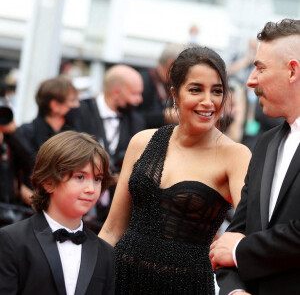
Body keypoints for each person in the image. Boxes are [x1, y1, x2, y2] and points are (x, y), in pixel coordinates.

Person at [99, 46, 251, 294]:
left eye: (217, 91)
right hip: (120, 278)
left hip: (186, 286)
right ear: (175, 94)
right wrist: (89, 277)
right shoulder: (142, 142)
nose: (207, 101)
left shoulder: (235, 155)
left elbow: (249, 231)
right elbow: (113, 228)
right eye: (195, 89)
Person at [209, 18, 300, 295]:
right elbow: (234, 235)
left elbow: (234, 246)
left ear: (292, 71)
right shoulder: (265, 144)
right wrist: (234, 291)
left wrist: (239, 250)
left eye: (260, 68)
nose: (251, 81)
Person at [0, 130, 115, 294]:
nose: (91, 189)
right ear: (48, 182)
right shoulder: (12, 240)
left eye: (97, 179)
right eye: (80, 177)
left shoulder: (105, 253)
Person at [67, 64, 146, 226]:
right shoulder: (79, 111)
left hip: (111, 215)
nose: (140, 100)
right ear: (116, 92)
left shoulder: (137, 121)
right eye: (135, 94)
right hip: (73, 203)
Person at [136, 43, 183, 129]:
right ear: (172, 64)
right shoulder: (141, 82)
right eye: (184, 67)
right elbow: (131, 117)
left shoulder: (173, 84)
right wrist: (163, 116)